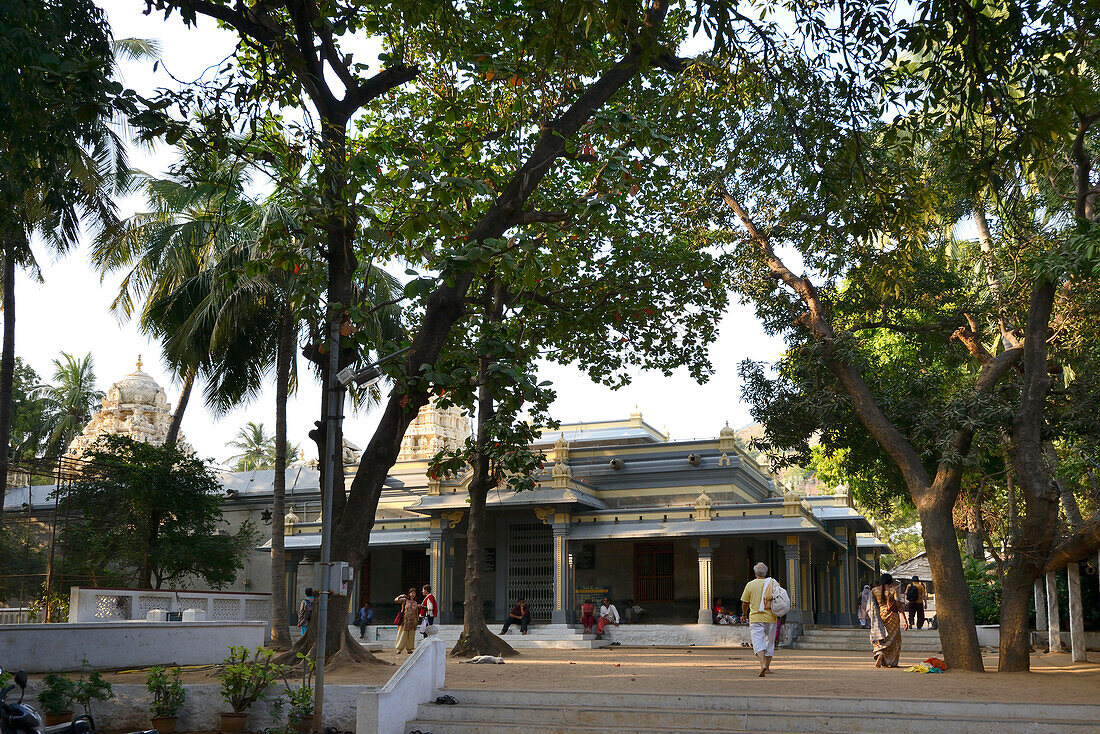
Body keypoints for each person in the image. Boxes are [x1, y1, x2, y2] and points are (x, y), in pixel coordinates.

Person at [741, 563, 779, 677]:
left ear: (755, 572)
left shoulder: (750, 585)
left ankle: (762, 664)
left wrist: (744, 614)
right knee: (770, 642)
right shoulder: (773, 583)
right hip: (771, 617)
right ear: (766, 573)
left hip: (756, 617)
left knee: (758, 642)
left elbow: (745, 603)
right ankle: (767, 667)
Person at [867, 573, 907, 668]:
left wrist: (873, 618)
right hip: (893, 617)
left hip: (881, 616)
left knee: (882, 637)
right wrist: (905, 620)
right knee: (894, 640)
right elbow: (898, 605)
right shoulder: (894, 590)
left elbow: (870, 606)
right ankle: (891, 661)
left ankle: (880, 653)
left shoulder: (874, 591)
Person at [394, 588, 419, 654]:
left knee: (411, 635)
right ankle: (399, 648)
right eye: (412, 593)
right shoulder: (405, 600)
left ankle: (409, 648)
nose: (413, 594)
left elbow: (416, 612)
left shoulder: (415, 602)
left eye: (414, 593)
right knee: (403, 634)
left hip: (412, 620)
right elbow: (396, 600)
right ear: (409, 593)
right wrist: (401, 596)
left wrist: (417, 620)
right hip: (405, 620)